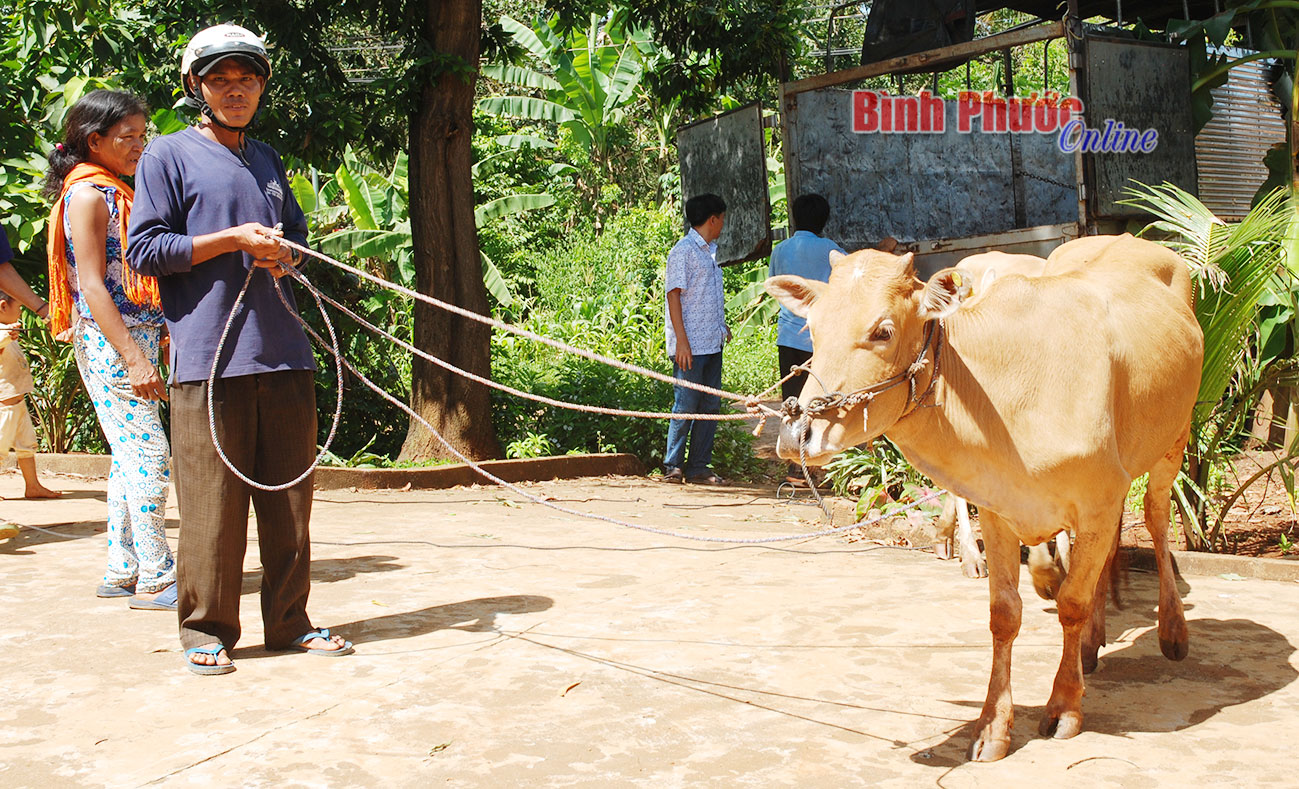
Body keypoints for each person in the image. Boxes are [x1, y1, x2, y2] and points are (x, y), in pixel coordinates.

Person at [128, 23, 351, 676]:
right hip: (208, 361)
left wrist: (286, 255)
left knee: (289, 508)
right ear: (194, 85)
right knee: (211, 510)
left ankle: (290, 622)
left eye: (247, 78)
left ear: (262, 86)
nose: (235, 90)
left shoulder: (267, 158)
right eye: (220, 79)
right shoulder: (166, 155)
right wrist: (230, 238)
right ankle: (207, 630)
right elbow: (146, 250)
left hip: (283, 353)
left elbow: (301, 243)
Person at [42, 89, 175, 606]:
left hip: (131, 335)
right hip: (112, 341)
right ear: (94, 141)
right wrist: (134, 356)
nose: (139, 145)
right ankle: (158, 575)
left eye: (143, 136)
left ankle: (122, 568)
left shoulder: (113, 189)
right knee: (150, 455)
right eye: (128, 138)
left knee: (128, 457)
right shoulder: (90, 195)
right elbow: (93, 286)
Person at [768, 194, 845, 484]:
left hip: (788, 337)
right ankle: (813, 463)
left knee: (792, 401)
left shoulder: (781, 249)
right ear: (824, 220)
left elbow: (775, 285)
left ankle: (794, 467)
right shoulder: (831, 250)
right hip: (820, 339)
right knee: (819, 401)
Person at [663, 193, 729, 485]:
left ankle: (698, 466)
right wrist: (682, 341)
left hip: (712, 343)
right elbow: (673, 295)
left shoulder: (711, 252)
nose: (723, 225)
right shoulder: (684, 251)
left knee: (710, 407)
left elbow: (706, 296)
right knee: (686, 404)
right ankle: (673, 465)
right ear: (712, 219)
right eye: (722, 219)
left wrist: (721, 326)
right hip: (690, 346)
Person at [0, 285, 62, 504]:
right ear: (3, 306)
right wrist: (6, 335)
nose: (20, 312)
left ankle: (32, 485)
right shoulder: (2, 332)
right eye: (18, 307)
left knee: (27, 446)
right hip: (3, 407)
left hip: (18, 402)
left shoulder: (7, 330)